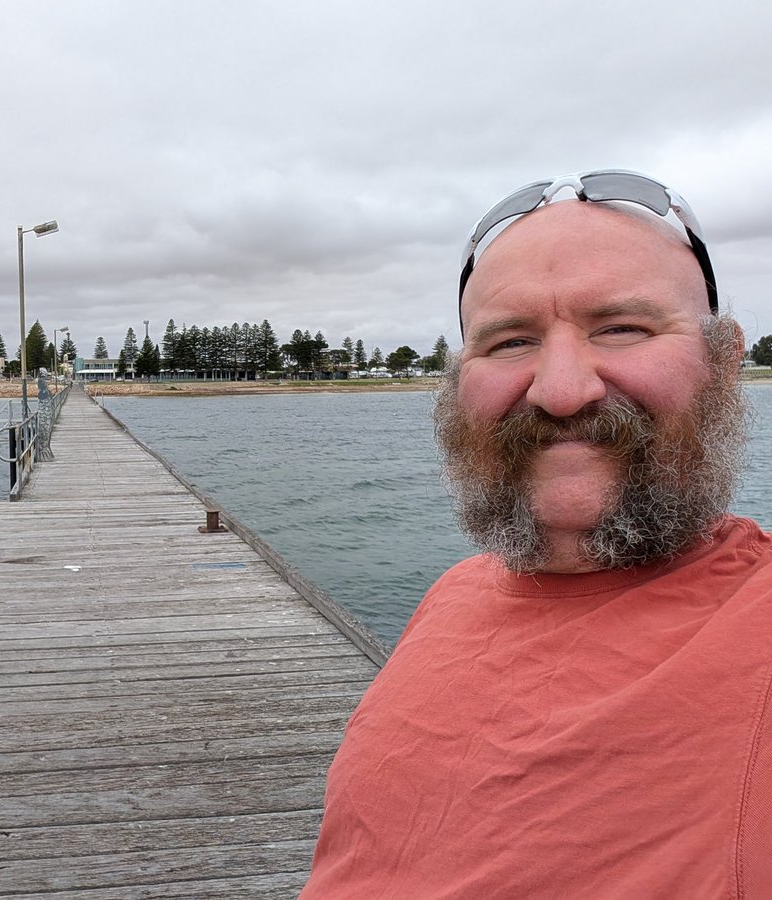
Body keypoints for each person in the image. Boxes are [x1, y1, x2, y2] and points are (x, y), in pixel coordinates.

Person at [301, 171, 772, 897]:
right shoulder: (454, 593)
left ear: (723, 359)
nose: (559, 390)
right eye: (510, 341)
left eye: (622, 328)